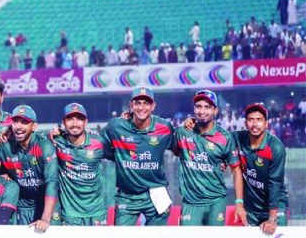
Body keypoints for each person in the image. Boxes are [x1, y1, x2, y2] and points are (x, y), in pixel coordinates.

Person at [101, 87, 176, 226]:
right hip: (127, 196)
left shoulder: (165, 127)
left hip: (156, 194)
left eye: (146, 103)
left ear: (153, 106)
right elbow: (98, 147)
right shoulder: (115, 126)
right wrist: (120, 157)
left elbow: (179, 149)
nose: (142, 107)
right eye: (137, 103)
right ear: (131, 105)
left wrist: (191, 124)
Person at [174, 91, 245, 226]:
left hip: (216, 201)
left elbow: (236, 170)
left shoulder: (225, 137)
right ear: (194, 109)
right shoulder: (183, 132)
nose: (202, 111)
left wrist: (239, 202)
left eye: (207, 107)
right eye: (199, 106)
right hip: (191, 202)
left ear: (215, 110)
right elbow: (171, 147)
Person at [0, 105, 58, 229]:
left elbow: (52, 182)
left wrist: (45, 219)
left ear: (34, 126)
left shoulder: (44, 146)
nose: (18, 126)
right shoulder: (5, 145)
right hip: (22, 206)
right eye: (15, 122)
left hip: (46, 205)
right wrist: (2, 174)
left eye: (24, 122)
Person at [234, 103, 289, 234]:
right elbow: (216, 134)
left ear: (266, 124)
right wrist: (193, 122)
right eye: (251, 119)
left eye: (259, 120)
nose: (255, 124)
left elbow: (275, 183)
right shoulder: (237, 138)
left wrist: (272, 218)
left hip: (275, 206)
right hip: (251, 208)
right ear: (245, 123)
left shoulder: (276, 147)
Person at [51, 103, 107, 226]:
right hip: (70, 213)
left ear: (86, 122)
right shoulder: (56, 141)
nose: (75, 124)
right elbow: (33, 138)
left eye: (79, 119)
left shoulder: (99, 142)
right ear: (63, 122)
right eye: (70, 119)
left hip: (96, 211)